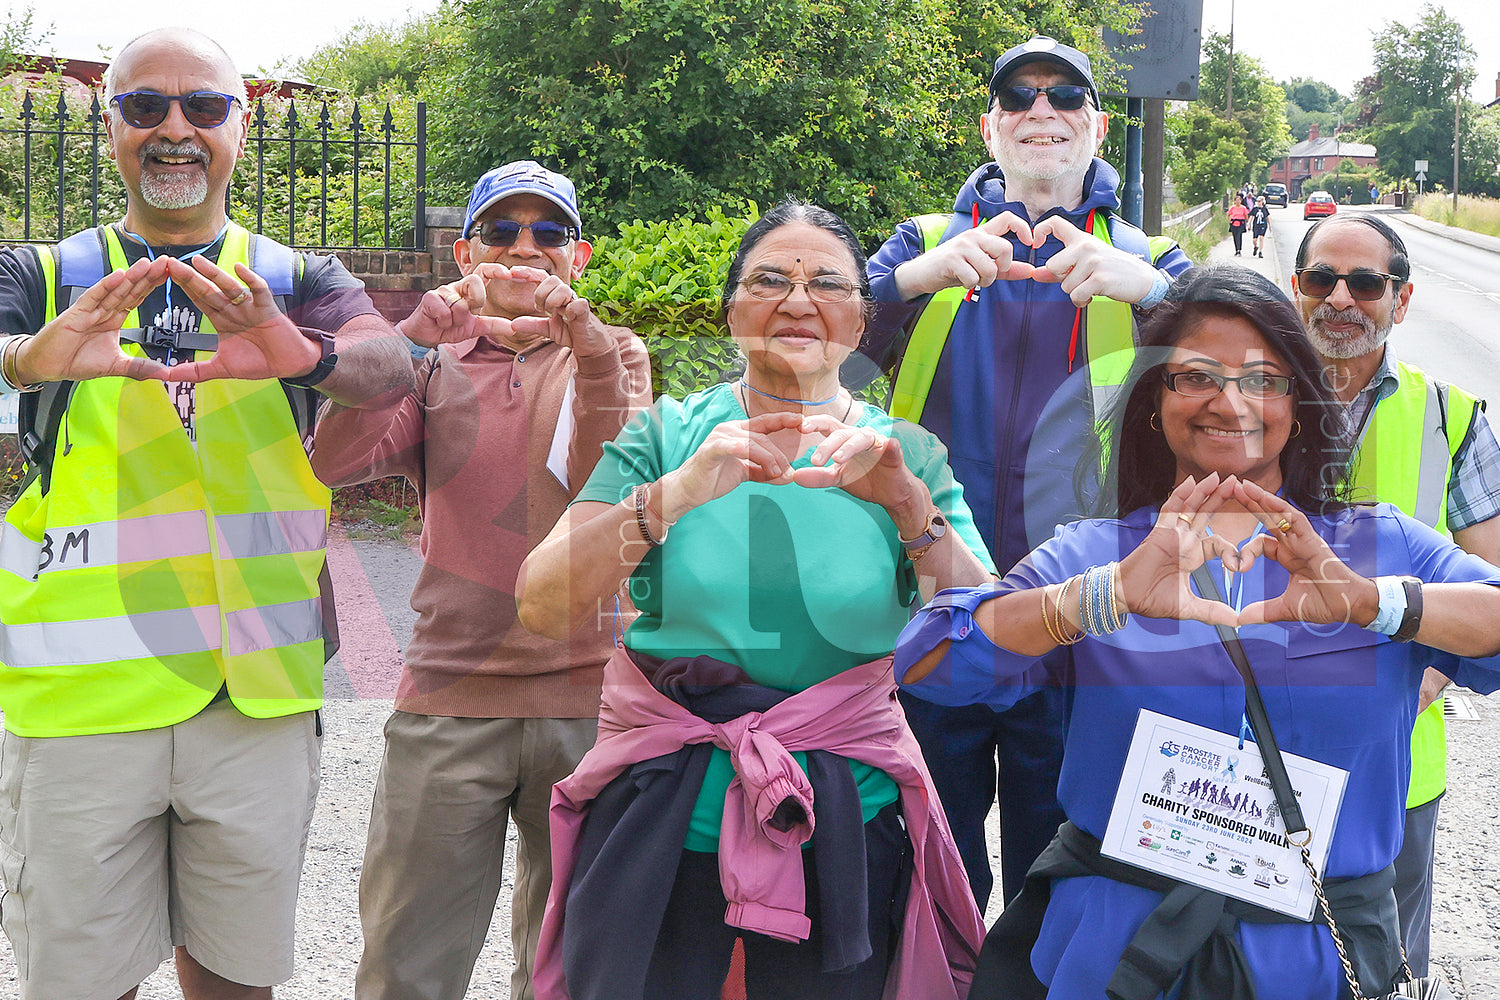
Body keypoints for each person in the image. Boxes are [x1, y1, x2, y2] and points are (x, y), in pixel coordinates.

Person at [895, 264, 1500, 1000]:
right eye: (1196, 377)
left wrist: (1373, 603)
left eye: (1264, 379)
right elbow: (930, 661)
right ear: (1155, 403)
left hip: (1313, 959)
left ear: (1299, 404)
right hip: (1113, 949)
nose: (1230, 401)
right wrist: (1099, 599)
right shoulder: (1097, 554)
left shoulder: (1385, 547)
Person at [0, 27, 414, 1000]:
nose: (174, 128)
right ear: (111, 128)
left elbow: (391, 366)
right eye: (145, 106)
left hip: (255, 696)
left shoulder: (294, 275)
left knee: (235, 982)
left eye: (203, 106)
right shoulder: (49, 275)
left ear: (242, 123)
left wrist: (303, 355)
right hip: (82, 705)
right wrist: (27, 359)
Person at [516, 200, 994, 1000]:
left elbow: (990, 638)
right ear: (732, 309)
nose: (798, 302)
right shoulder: (669, 435)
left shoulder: (905, 454)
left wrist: (909, 506)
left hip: (846, 829)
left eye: (827, 284)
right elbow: (542, 602)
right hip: (667, 824)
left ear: (862, 317)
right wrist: (672, 495)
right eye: (770, 279)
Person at [861, 34, 1193, 909]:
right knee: (933, 881)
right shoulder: (920, 242)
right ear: (989, 126)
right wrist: (908, 284)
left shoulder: (1149, 257)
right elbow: (810, 345)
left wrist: (1156, 294)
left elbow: (1260, 357)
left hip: (1087, 626)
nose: (1040, 111)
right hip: (937, 616)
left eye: (1063, 96)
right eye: (1019, 97)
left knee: (1066, 883)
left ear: (1097, 125)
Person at [311, 161, 651, 1000]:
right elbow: (334, 460)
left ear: (581, 255)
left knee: (570, 967)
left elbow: (604, 478)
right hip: (448, 696)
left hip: (591, 699)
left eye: (548, 233)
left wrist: (589, 346)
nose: (524, 249)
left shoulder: (617, 353)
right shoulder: (427, 361)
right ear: (466, 251)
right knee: (407, 965)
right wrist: (410, 344)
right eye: (503, 232)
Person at [1292, 214, 1500, 977]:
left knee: (1381, 961)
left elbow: (1491, 594)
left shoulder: (1451, 417)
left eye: (1366, 284)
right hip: (1249, 746)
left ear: (1400, 301)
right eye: (1322, 279)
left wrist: (1426, 684)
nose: (1341, 298)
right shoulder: (1239, 405)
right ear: (1296, 290)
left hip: (1397, 756)